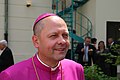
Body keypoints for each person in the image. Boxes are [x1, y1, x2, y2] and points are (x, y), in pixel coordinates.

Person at [0, 13, 85, 80]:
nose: (62, 41)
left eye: (65, 35)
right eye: (54, 35)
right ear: (36, 41)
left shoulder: (76, 69)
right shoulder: (11, 76)